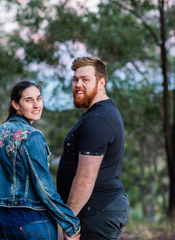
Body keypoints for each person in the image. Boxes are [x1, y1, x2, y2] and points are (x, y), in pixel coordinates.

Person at [0, 80, 80, 240]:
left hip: (2, 220)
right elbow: (45, 189)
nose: (36, 105)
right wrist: (70, 223)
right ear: (16, 104)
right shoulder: (32, 136)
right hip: (33, 221)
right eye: (28, 100)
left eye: (38, 98)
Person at [57, 57, 130, 239]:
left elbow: (86, 177)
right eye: (75, 80)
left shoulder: (97, 119)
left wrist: (69, 221)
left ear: (101, 83)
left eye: (85, 79)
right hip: (97, 209)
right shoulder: (97, 113)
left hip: (97, 211)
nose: (78, 84)